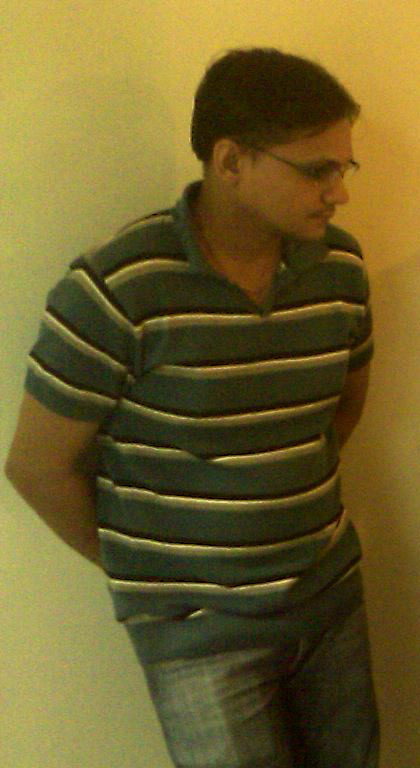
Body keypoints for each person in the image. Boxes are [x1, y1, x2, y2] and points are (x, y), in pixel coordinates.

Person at [4, 48, 378, 767]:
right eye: (317, 170)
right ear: (230, 161)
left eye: (345, 168)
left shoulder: (339, 269)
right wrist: (157, 579)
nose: (339, 193)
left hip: (329, 598)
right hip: (200, 637)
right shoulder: (119, 287)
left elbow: (343, 409)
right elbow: (38, 467)